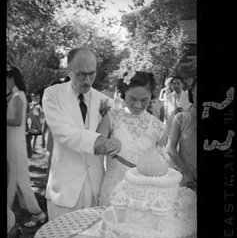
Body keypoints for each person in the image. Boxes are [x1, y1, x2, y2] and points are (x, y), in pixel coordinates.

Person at [42, 46, 121, 220]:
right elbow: (62, 133)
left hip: (96, 186)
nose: (87, 80)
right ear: (69, 71)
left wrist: (116, 142)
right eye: (81, 74)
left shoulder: (105, 101)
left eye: (92, 74)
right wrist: (98, 141)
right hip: (65, 188)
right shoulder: (52, 94)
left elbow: (116, 133)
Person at [97, 71, 168, 206]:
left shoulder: (159, 128)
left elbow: (162, 167)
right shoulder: (112, 117)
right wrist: (107, 144)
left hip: (143, 193)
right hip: (113, 188)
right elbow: (96, 145)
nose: (138, 105)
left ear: (151, 96)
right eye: (133, 99)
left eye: (144, 100)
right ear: (124, 94)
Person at [7, 66, 46, 227]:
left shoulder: (17, 96)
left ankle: (37, 213)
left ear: (12, 79)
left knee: (21, 181)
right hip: (14, 142)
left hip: (16, 144)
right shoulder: (17, 96)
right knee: (13, 181)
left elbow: (17, 121)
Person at [166, 77, 197, 191]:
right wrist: (186, 173)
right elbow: (170, 148)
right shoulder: (181, 118)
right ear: (192, 90)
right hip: (188, 180)